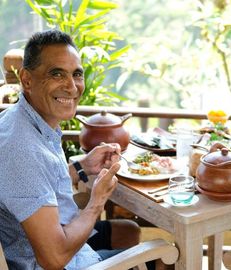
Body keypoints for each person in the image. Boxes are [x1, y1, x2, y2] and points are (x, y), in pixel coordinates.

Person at [0, 29, 141, 269]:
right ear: (26, 79)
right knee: (167, 256)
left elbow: (35, 182)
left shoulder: (18, 119)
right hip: (54, 259)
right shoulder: (22, 149)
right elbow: (53, 259)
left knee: (127, 232)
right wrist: (97, 201)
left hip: (57, 233)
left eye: (77, 74)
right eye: (57, 74)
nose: (72, 86)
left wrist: (82, 167)